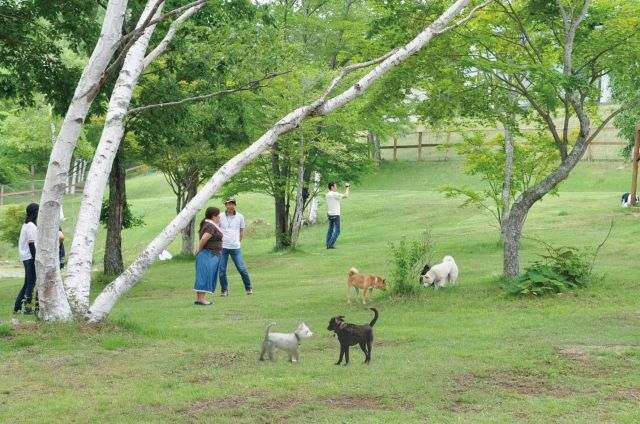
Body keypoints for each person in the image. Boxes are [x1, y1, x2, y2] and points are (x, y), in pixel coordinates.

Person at [218, 197, 253, 296]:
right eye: (229, 204)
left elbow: (241, 232)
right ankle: (224, 290)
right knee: (221, 270)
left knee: (241, 268)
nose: (231, 206)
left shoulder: (240, 217)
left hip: (235, 247)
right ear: (225, 205)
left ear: (235, 205)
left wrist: (237, 241)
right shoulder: (220, 216)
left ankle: (248, 288)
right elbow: (217, 229)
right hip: (223, 247)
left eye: (232, 204)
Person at [193, 207, 224, 305]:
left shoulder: (208, 224)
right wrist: (199, 248)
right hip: (208, 254)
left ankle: (199, 299)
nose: (219, 216)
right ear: (213, 216)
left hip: (209, 254)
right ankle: (201, 299)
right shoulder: (210, 226)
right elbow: (204, 238)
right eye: (218, 215)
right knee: (205, 276)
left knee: (203, 275)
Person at [14, 203, 39, 314]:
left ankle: (17, 307)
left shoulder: (26, 225)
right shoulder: (31, 226)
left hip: (26, 257)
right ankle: (27, 308)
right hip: (30, 257)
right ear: (36, 212)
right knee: (30, 284)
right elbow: (31, 244)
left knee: (27, 283)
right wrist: (35, 259)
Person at [325, 181, 350, 249]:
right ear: (332, 187)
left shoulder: (327, 194)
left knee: (330, 229)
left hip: (330, 214)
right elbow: (346, 196)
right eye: (335, 186)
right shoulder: (334, 194)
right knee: (337, 231)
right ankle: (330, 244)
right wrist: (347, 188)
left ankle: (328, 243)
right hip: (336, 214)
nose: (336, 187)